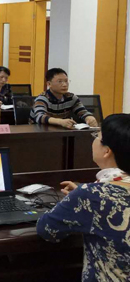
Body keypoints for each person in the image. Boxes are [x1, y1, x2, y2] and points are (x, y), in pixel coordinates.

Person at [36, 114, 130, 281]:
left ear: (107, 151)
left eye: (97, 136)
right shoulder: (92, 193)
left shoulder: (91, 195)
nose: (93, 141)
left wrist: (81, 197)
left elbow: (47, 230)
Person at [30, 68, 98, 128]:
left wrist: (89, 117)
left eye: (66, 81)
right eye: (60, 81)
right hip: (39, 131)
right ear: (49, 84)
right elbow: (39, 117)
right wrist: (60, 122)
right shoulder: (42, 98)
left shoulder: (71, 97)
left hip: (61, 131)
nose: (64, 85)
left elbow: (82, 112)